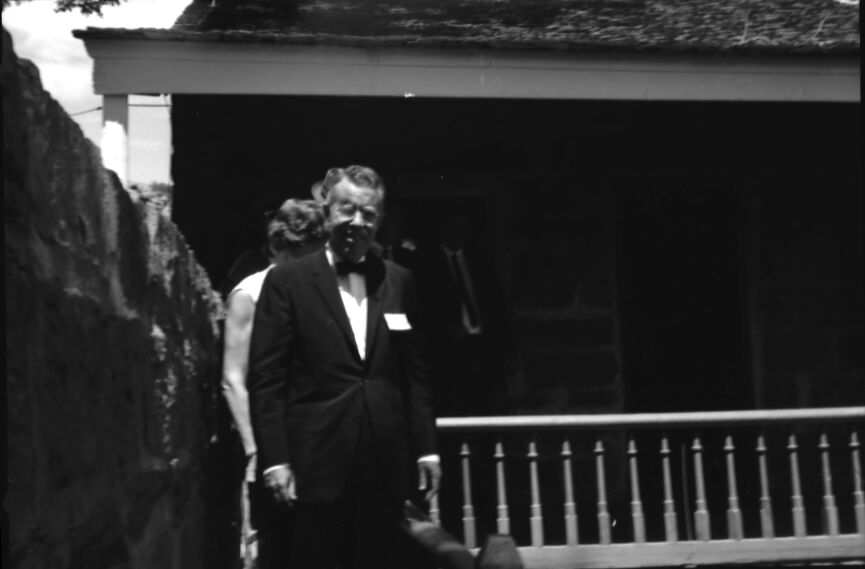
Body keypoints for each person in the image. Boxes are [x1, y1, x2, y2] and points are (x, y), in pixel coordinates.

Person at [247, 165, 441, 569]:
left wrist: (426, 449)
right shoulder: (287, 281)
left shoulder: (400, 281)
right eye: (348, 210)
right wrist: (276, 459)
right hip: (313, 467)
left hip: (384, 468)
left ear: (380, 220)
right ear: (327, 210)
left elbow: (415, 376)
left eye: (368, 214)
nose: (357, 222)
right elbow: (267, 380)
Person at [222, 198, 328, 569]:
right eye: (296, 254)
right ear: (277, 249)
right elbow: (234, 379)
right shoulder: (249, 294)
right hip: (271, 445)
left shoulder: (321, 291)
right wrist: (258, 450)